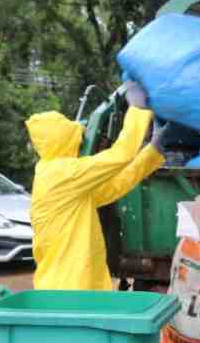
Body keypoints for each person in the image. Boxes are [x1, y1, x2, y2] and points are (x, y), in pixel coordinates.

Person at [26, 82, 165, 290]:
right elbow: (121, 155)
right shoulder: (62, 174)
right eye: (77, 138)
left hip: (70, 286)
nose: (81, 141)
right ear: (64, 141)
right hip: (68, 289)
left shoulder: (58, 179)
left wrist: (153, 152)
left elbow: (115, 186)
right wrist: (137, 109)